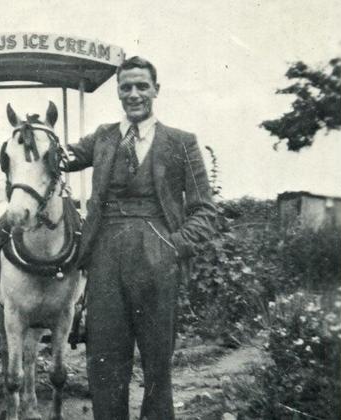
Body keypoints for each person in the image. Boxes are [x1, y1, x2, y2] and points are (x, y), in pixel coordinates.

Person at [63, 56, 217, 420]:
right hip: (104, 258)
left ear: (156, 90)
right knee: (104, 362)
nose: (134, 94)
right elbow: (60, 157)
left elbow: (205, 210)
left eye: (141, 86)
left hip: (157, 258)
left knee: (157, 364)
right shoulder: (102, 138)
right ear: (118, 92)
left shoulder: (181, 143)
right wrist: (34, 136)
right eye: (126, 87)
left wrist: (173, 246)